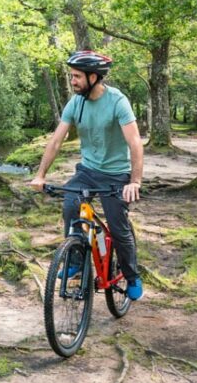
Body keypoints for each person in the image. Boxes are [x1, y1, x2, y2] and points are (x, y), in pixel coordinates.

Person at [30, 50, 144, 300]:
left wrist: (134, 182)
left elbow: (135, 143)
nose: (73, 81)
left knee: (118, 227)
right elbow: (56, 141)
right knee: (71, 206)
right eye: (72, 76)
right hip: (88, 172)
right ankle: (76, 256)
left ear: (94, 77)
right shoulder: (75, 103)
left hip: (116, 175)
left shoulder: (117, 101)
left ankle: (132, 275)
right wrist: (40, 175)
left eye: (77, 76)